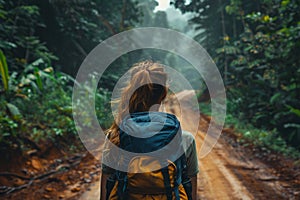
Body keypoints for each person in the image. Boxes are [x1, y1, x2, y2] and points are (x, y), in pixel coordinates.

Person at [100, 60, 199, 200]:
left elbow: (106, 192)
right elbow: (191, 193)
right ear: (163, 94)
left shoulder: (115, 136)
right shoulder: (185, 139)